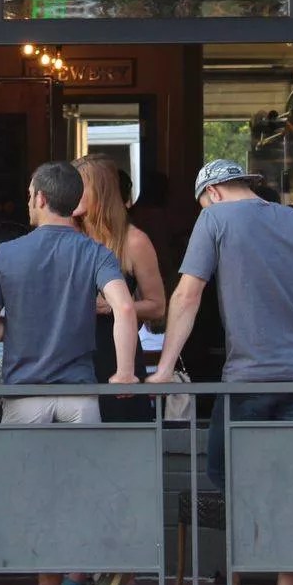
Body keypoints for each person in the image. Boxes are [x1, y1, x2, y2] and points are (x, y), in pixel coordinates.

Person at [148, 159, 293, 585]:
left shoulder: (215, 219)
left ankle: (262, 562)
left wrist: (165, 368)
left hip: (248, 379)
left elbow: (187, 295)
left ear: (212, 193)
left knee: (226, 471)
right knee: (291, 483)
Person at [0, 161, 137, 585]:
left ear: (41, 198)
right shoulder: (95, 251)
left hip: (25, 395)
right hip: (80, 393)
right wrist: (124, 372)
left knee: (35, 499)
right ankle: (96, 570)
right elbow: (125, 307)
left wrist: (23, 326)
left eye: (30, 194)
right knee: (82, 491)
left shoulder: (7, 254)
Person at [73, 155, 167, 423]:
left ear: (100, 192)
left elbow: (157, 306)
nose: (71, 193)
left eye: (79, 187)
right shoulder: (66, 234)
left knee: (122, 433)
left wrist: (112, 306)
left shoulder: (134, 241)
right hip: (71, 353)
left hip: (115, 352)